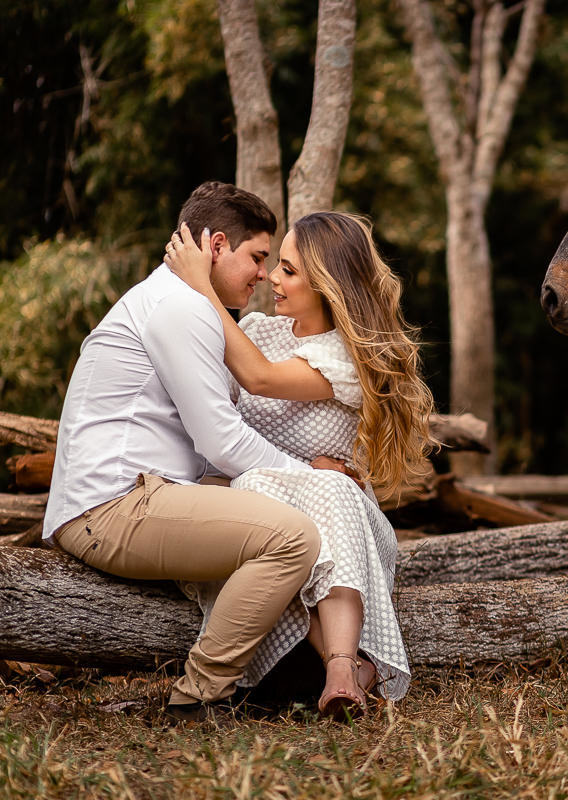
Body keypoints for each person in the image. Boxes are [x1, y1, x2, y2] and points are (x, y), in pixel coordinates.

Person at [44, 181, 357, 721]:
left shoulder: (184, 303)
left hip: (148, 494)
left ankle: (334, 664)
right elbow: (220, 439)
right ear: (215, 245)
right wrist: (309, 472)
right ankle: (198, 696)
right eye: (258, 257)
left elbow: (206, 446)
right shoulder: (179, 308)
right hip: (113, 507)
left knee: (289, 509)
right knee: (292, 538)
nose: (263, 275)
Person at [164, 211, 435, 718]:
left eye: (288, 270)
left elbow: (260, 379)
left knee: (326, 489)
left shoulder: (346, 357)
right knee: (264, 492)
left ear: (327, 284)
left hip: (340, 520)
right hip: (262, 515)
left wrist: (202, 286)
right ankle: (355, 669)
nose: (271, 278)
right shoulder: (260, 331)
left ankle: (340, 667)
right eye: (275, 266)